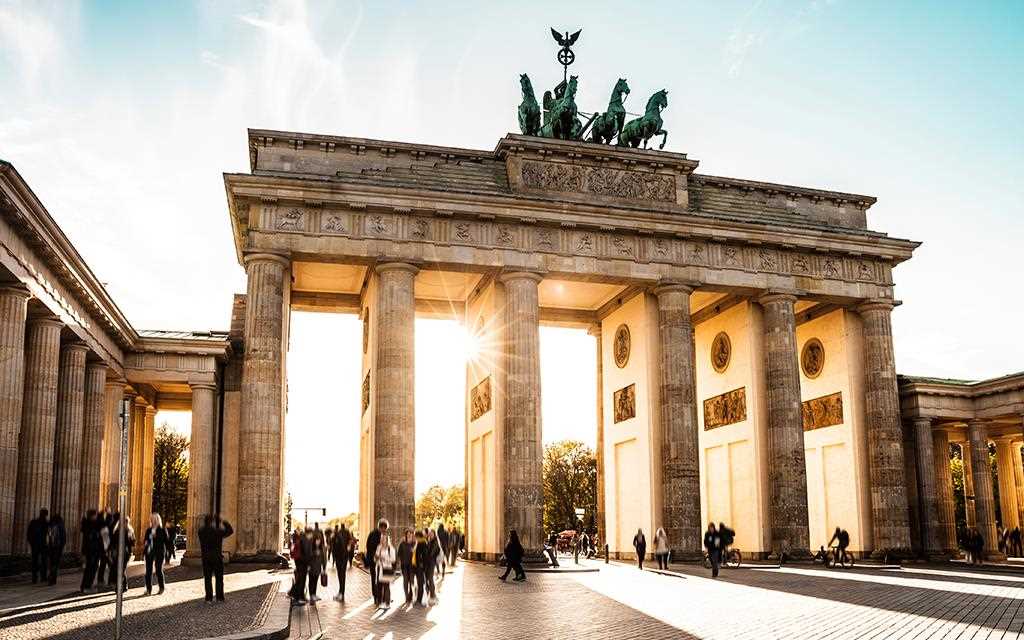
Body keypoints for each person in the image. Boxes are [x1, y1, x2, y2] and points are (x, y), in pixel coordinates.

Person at [198, 514, 233, 603]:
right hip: (217, 557)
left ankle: (208, 598)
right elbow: (230, 531)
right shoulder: (217, 531)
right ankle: (219, 598)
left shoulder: (201, 531)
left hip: (206, 558)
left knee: (207, 578)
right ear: (213, 522)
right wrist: (223, 522)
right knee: (219, 578)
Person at [143, 513, 169, 595]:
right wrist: (146, 542)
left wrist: (155, 537)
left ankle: (161, 587)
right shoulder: (148, 530)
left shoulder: (162, 530)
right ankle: (148, 589)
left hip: (159, 552)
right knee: (148, 571)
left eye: (155, 519)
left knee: (158, 570)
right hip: (149, 552)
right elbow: (145, 540)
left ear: (158, 520)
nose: (153, 521)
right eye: (152, 519)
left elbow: (166, 541)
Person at [365, 518, 388, 606]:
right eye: (383, 528)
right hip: (374, 561)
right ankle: (376, 597)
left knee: (380, 578)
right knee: (375, 578)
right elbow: (369, 547)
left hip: (381, 561)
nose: (384, 530)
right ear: (380, 527)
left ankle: (380, 597)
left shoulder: (384, 535)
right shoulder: (374, 534)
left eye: (385, 529)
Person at [112, 513, 135, 593]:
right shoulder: (117, 531)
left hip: (125, 553)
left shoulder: (130, 531)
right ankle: (124, 585)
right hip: (117, 552)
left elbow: (133, 543)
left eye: (126, 522)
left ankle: (120, 587)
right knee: (120, 569)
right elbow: (113, 542)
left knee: (121, 569)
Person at [80, 510, 102, 592]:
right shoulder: (91, 525)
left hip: (89, 550)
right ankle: (87, 586)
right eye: (96, 515)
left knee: (90, 568)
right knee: (91, 569)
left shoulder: (87, 524)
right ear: (92, 516)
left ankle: (85, 586)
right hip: (93, 550)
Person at [374, 529, 396, 609]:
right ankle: (380, 602)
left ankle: (387, 603)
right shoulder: (379, 547)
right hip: (379, 568)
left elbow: (393, 560)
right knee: (379, 586)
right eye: (381, 539)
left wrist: (384, 558)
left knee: (386, 586)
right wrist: (376, 558)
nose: (382, 540)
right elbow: (375, 558)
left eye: (384, 539)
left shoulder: (391, 549)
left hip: (387, 568)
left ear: (387, 540)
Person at [26, 508, 49, 584]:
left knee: (35, 561)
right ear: (46, 515)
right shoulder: (47, 523)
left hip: (35, 544)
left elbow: (29, 533)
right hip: (43, 544)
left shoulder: (34, 522)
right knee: (43, 561)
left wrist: (31, 542)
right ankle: (43, 577)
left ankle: (34, 578)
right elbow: (49, 535)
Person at [330, 523, 352, 602]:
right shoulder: (347, 532)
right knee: (342, 575)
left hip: (340, 557)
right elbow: (350, 541)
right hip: (344, 556)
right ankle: (341, 593)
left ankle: (341, 593)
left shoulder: (337, 533)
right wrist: (348, 549)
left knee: (341, 575)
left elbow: (332, 542)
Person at [306, 527, 327, 602]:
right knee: (311, 581)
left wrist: (324, 568)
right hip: (311, 567)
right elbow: (308, 556)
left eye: (319, 540)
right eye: (317, 540)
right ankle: (311, 595)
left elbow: (324, 559)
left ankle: (314, 594)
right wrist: (314, 553)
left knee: (315, 581)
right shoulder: (311, 546)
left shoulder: (322, 548)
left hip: (318, 567)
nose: (318, 542)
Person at [46, 514, 66, 585]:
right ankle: (53, 578)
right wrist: (62, 547)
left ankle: (51, 577)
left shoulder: (49, 525)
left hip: (50, 547)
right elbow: (64, 538)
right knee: (55, 563)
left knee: (51, 562)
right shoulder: (61, 526)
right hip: (57, 547)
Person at [397, 529, 416, 605]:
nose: (409, 535)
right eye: (407, 534)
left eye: (410, 534)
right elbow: (399, 554)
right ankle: (406, 596)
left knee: (411, 581)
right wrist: (399, 562)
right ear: (405, 535)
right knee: (405, 581)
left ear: (412, 535)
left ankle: (411, 595)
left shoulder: (414, 544)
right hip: (404, 565)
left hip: (412, 566)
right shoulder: (402, 544)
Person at [289, 529, 307, 604]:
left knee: (299, 579)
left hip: (298, 562)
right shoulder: (299, 542)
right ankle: (297, 596)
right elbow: (300, 554)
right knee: (300, 580)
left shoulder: (295, 542)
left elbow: (292, 553)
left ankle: (295, 594)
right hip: (300, 563)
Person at [425, 529, 441, 603]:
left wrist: (427, 555)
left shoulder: (435, 542)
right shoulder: (429, 541)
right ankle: (432, 594)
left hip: (431, 562)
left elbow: (431, 553)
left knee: (430, 578)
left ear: (434, 534)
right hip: (428, 562)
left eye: (432, 534)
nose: (430, 535)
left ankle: (433, 596)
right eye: (430, 534)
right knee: (428, 579)